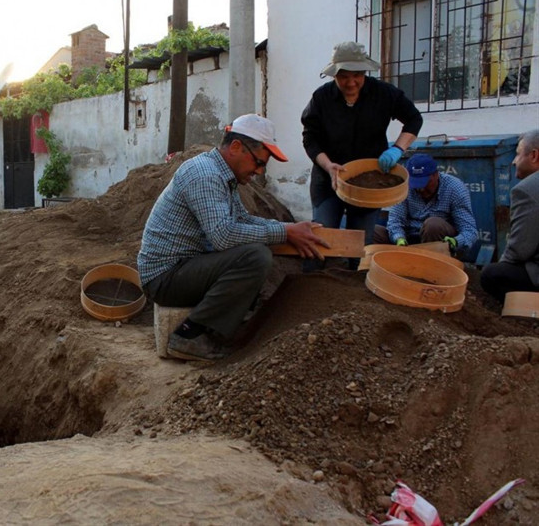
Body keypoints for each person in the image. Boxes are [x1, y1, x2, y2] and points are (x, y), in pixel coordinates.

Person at [138, 114, 329, 362]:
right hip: (165, 277)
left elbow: (241, 219)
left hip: (184, 267)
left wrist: (288, 228)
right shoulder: (205, 175)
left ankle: (225, 328)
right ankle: (189, 336)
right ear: (237, 147)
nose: (258, 172)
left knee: (254, 249)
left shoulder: (222, 175)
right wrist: (284, 232)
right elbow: (224, 235)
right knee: (255, 256)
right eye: (258, 163)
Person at [301, 41, 423, 270]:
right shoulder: (322, 98)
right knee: (322, 236)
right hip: (329, 179)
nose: (350, 82)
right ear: (334, 74)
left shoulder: (384, 94)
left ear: (365, 72)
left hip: (369, 181)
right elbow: (310, 139)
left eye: (357, 75)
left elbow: (414, 119)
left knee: (362, 242)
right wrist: (328, 166)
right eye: (343, 76)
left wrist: (397, 149)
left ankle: (356, 295)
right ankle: (311, 289)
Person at [374, 153, 477, 258]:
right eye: (416, 184)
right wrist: (399, 238)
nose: (421, 189)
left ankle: (432, 268)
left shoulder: (454, 188)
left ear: (435, 175)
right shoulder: (404, 187)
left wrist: (455, 242)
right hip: (409, 239)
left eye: (424, 183)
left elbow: (469, 230)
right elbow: (395, 221)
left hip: (438, 241)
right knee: (373, 232)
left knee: (433, 225)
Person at [481, 129, 539, 302]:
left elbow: (519, 250)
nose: (514, 162)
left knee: (492, 275)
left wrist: (502, 264)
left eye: (518, 154)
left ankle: (526, 311)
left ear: (534, 156)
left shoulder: (527, 189)